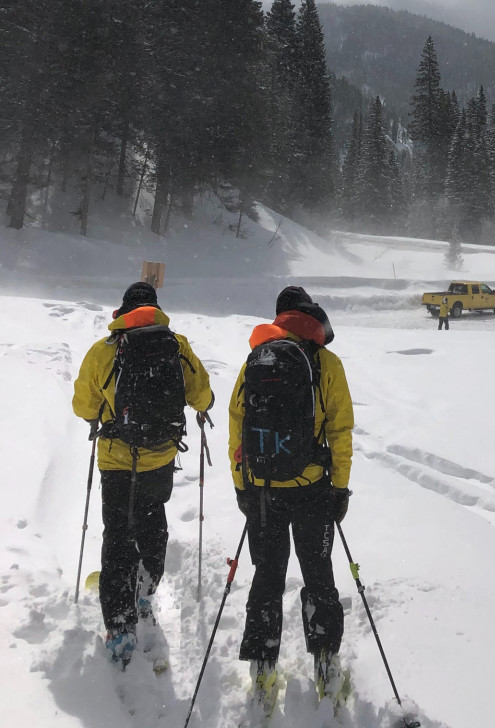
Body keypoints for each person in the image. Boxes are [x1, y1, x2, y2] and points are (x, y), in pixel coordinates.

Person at [72, 281, 213, 669]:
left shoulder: (105, 351)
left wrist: (102, 416)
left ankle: (119, 628)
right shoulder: (177, 345)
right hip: (160, 458)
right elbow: (202, 395)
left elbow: (83, 404)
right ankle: (144, 591)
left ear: (122, 312)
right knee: (152, 523)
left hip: (117, 460)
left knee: (117, 534)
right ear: (155, 310)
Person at [228, 285, 354, 713]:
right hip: (314, 489)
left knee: (267, 576)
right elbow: (340, 430)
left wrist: (242, 486)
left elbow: (238, 428)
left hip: (263, 490)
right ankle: (326, 664)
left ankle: (262, 669)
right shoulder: (326, 363)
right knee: (318, 575)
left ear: (279, 317)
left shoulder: (258, 360)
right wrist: (341, 486)